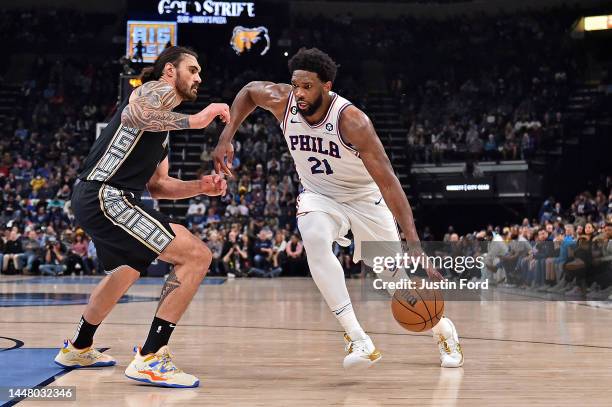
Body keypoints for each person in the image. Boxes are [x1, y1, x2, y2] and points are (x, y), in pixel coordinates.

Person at [213, 48, 463, 368]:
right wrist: (226, 135)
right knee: (314, 236)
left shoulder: (353, 121)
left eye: (308, 87)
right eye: (296, 85)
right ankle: (357, 338)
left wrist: (413, 240)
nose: (299, 93)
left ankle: (444, 329)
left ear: (327, 86)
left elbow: (389, 183)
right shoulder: (283, 100)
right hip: (319, 195)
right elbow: (248, 92)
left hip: (364, 200)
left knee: (395, 283)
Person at [54, 46, 230, 388]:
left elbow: (159, 185)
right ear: (169, 71)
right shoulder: (154, 89)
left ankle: (78, 346)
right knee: (196, 255)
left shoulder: (162, 130)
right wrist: (197, 120)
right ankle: (151, 357)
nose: (198, 77)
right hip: (107, 194)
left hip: (99, 197)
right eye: (191, 70)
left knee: (126, 270)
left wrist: (201, 187)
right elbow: (134, 116)